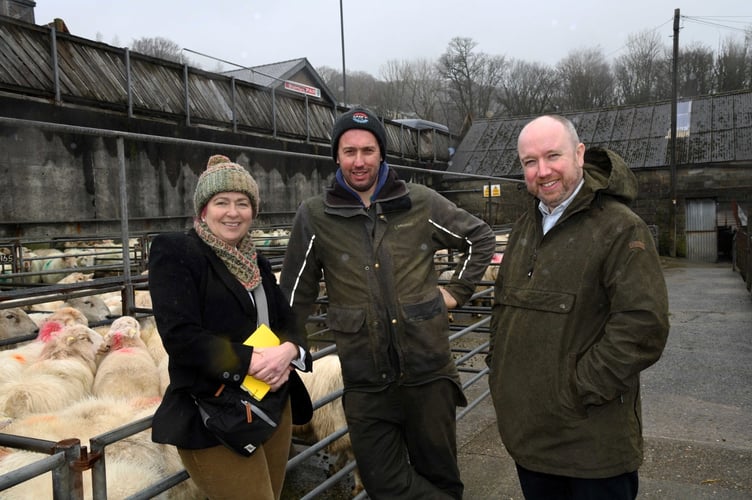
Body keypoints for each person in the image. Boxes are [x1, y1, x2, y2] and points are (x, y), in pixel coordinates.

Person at [280, 107, 496, 499]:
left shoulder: (419, 202)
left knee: (440, 474)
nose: (359, 161)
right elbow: (295, 294)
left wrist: (457, 292)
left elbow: (479, 238)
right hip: (365, 379)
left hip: (428, 372)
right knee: (381, 481)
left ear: (381, 153)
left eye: (367, 150)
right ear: (337, 156)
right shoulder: (315, 216)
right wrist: (287, 348)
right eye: (349, 152)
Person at [486, 115, 670, 500]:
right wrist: (500, 371)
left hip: (592, 444)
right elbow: (503, 308)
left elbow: (643, 326)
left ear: (580, 154)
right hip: (530, 441)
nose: (543, 171)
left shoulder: (620, 228)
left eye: (553, 156)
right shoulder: (525, 227)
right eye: (529, 162)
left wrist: (577, 387)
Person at [148, 154, 312, 500]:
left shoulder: (257, 263)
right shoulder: (177, 252)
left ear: (253, 210)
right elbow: (182, 337)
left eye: (242, 203)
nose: (233, 212)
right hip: (215, 416)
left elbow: (290, 322)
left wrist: (288, 350)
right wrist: (250, 361)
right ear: (203, 210)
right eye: (221, 202)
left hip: (271, 406)